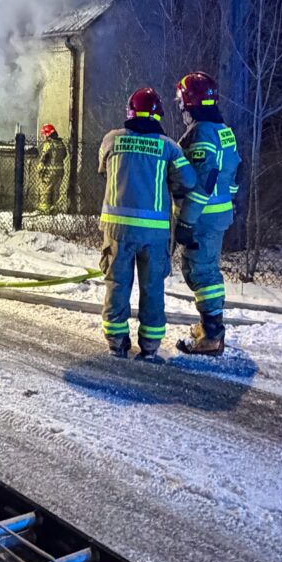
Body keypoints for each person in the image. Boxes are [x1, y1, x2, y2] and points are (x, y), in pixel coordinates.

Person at [98, 87, 196, 361]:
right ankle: (150, 347)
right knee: (152, 288)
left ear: (129, 113)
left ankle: (117, 343)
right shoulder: (169, 147)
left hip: (117, 231)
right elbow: (188, 182)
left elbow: (103, 170)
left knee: (117, 285)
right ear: (158, 115)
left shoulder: (111, 140)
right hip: (154, 235)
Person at [173, 72, 241, 356]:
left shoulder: (202, 132)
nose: (179, 107)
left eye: (181, 101)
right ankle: (208, 325)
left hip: (202, 216)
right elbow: (234, 174)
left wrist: (187, 219)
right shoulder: (223, 129)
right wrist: (227, 202)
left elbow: (204, 181)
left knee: (201, 272)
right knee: (205, 269)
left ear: (190, 102)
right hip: (218, 213)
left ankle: (212, 335)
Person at [36, 124, 67, 215]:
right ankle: (55, 210)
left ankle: (44, 210)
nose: (43, 136)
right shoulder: (61, 143)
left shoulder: (48, 144)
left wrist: (40, 170)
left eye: (44, 134)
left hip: (49, 172)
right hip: (60, 172)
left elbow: (44, 158)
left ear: (48, 134)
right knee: (56, 191)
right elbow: (64, 155)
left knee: (46, 191)